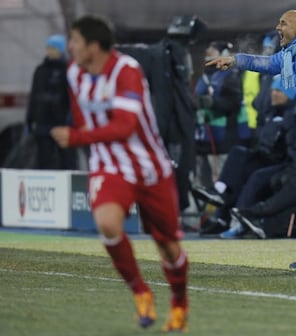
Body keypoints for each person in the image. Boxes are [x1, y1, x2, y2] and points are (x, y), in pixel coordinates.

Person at [50, 15, 189, 332]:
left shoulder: (126, 70)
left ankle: (179, 302)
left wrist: (77, 138)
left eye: (75, 41)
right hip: (109, 165)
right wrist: (85, 138)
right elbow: (82, 115)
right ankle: (141, 292)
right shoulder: (74, 73)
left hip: (150, 166)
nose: (70, 47)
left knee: (168, 246)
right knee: (108, 224)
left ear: (93, 46)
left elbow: (125, 126)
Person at [207, 10, 296, 272]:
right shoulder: (294, 52)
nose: (278, 27)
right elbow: (268, 64)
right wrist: (236, 60)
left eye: (283, 23)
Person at [193, 74, 296, 235]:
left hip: (282, 162)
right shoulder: (270, 113)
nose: (274, 94)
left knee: (255, 176)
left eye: (279, 91)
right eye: (273, 90)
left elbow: (290, 149)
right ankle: (219, 196)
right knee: (238, 155)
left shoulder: (293, 116)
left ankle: (239, 220)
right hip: (265, 157)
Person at [193, 41, 250, 189]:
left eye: (213, 50)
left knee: (220, 180)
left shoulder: (229, 76)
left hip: (223, 137)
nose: (208, 52)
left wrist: (212, 103)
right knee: (201, 180)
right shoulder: (205, 75)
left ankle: (219, 211)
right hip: (203, 137)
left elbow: (234, 103)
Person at [26, 34, 77, 170]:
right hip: (43, 122)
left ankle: (69, 186)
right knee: (44, 160)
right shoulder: (40, 71)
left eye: (53, 48)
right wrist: (29, 120)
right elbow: (34, 97)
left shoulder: (69, 70)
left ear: (61, 50)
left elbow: (73, 98)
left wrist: (70, 120)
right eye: (48, 48)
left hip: (61, 123)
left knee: (67, 159)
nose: (50, 51)